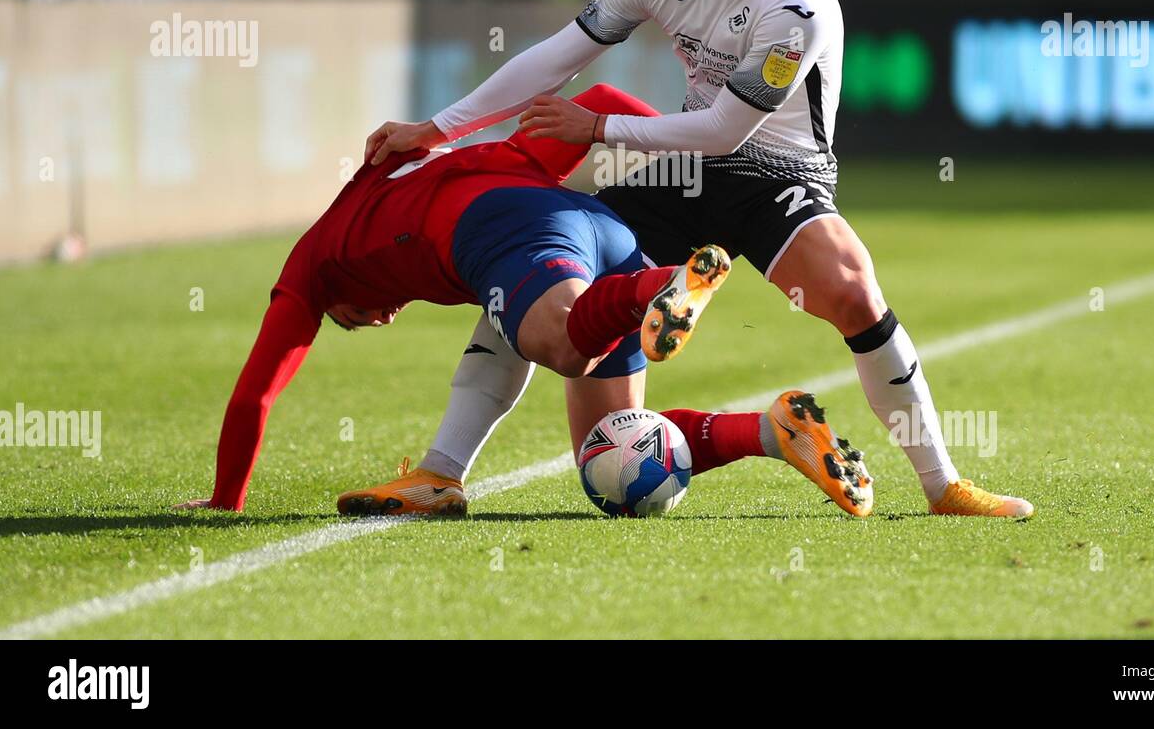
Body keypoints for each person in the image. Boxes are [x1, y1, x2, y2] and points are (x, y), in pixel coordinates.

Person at [363, 0, 1034, 519]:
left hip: (778, 171)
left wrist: (596, 128)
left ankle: (943, 484)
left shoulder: (797, 8)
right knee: (551, 301)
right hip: (683, 170)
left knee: (854, 289)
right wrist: (437, 128)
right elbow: (557, 56)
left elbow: (726, 129)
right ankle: (445, 473)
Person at [176, 83, 868, 517]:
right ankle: (772, 431)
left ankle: (660, 287)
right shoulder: (402, 169)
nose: (379, 318)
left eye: (352, 322)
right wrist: (697, 167)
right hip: (596, 226)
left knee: (561, 342)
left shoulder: (316, 261)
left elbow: (253, 395)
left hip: (512, 228)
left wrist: (224, 500)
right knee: (614, 456)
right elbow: (597, 100)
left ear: (336, 306)